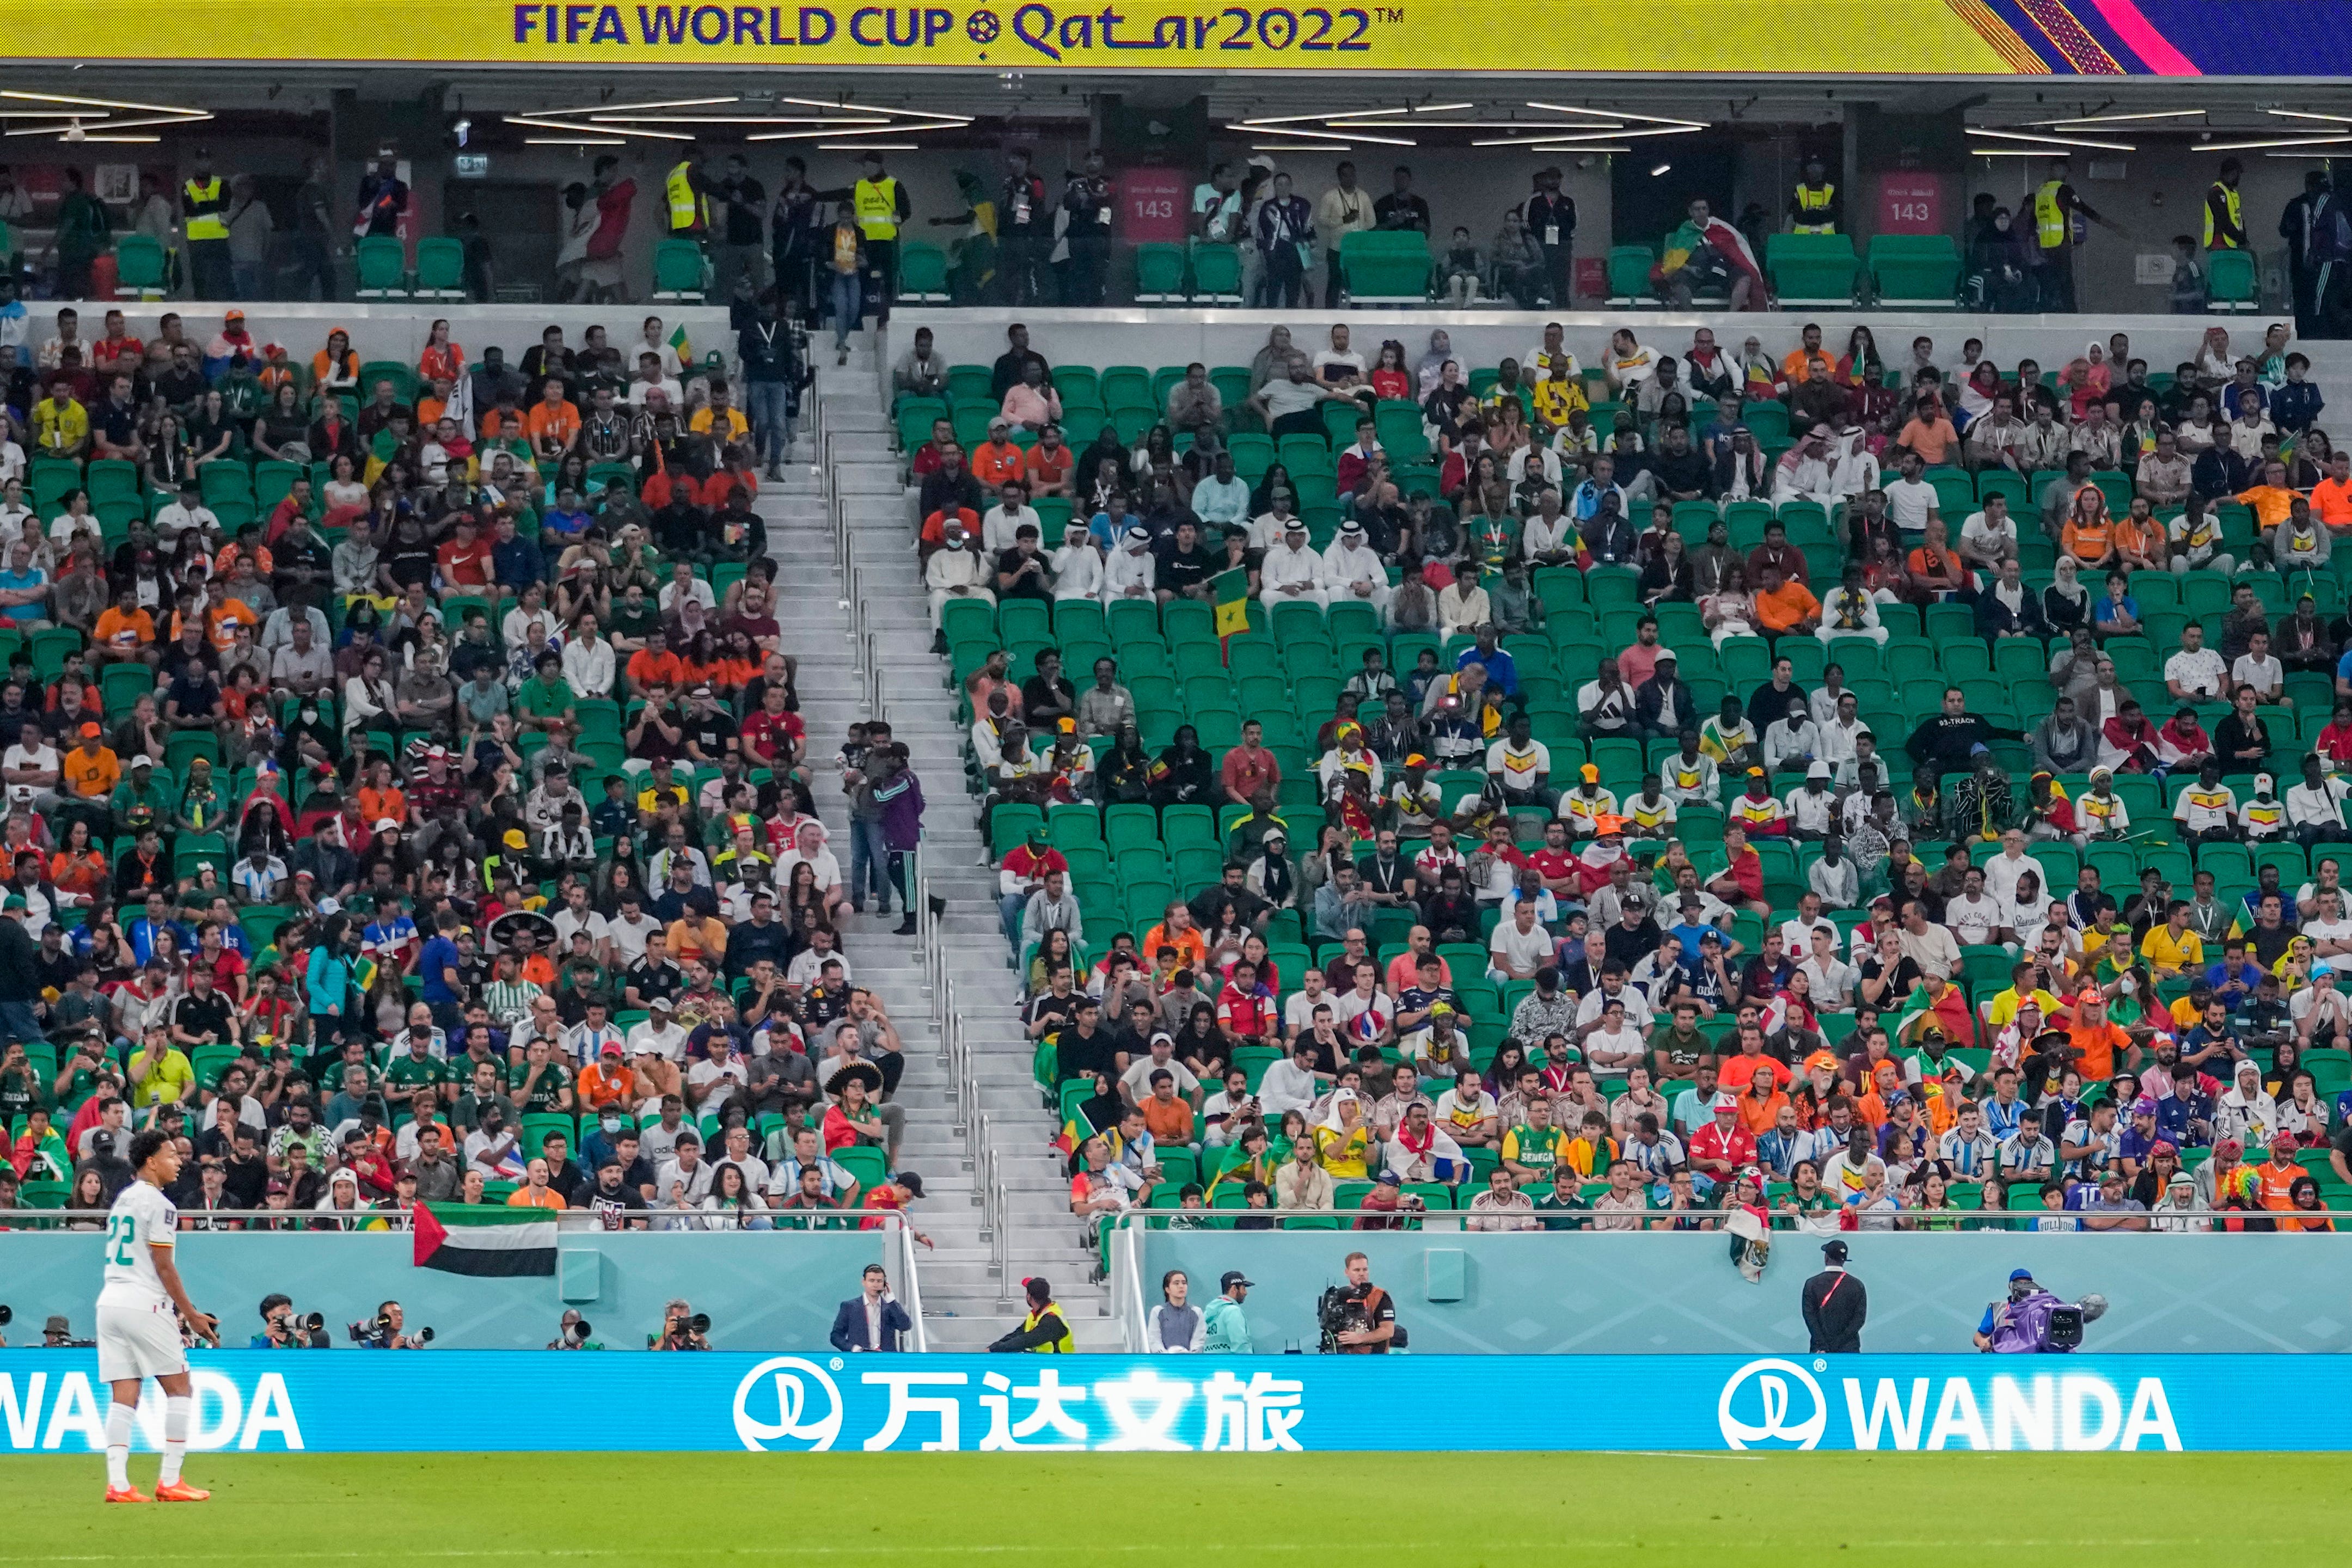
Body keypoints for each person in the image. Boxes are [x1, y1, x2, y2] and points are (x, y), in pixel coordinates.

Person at [95, 1128, 218, 1504]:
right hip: (143, 1302)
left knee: (124, 1393)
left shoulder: (124, 1199)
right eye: (171, 1155)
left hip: (109, 1302)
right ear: (151, 1162)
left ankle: (118, 1484)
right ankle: (170, 1480)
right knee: (180, 1387)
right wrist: (192, 1313)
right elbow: (164, 1266)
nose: (179, 1161)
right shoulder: (161, 1205)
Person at [1800, 1236, 1866, 1353]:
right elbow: (1859, 1319)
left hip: (1820, 1349)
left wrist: (1823, 1345)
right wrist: (1838, 1344)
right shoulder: (1857, 1285)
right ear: (1844, 1260)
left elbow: (1810, 1317)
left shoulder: (1812, 1284)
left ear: (1826, 1258)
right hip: (1849, 1349)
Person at [828, 1262, 914, 1352]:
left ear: (885, 1284)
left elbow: (906, 1326)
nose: (875, 1285)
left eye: (879, 1281)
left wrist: (892, 1301)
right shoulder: (849, 1307)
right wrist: (854, 1349)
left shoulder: (890, 1308)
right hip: (860, 1358)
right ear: (864, 1282)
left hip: (886, 1359)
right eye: (872, 1281)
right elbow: (836, 1336)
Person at [988, 1273, 1074, 1352]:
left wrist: (995, 1349)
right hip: (1045, 1363)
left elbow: (1028, 1340)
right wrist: (994, 1347)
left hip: (1060, 1365)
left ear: (1029, 1297)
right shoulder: (1036, 1315)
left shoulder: (1052, 1319)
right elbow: (1017, 1335)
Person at [1202, 1270, 1253, 1352]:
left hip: (1210, 1364)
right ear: (1234, 1289)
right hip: (1230, 1365)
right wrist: (1247, 1364)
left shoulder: (1207, 1315)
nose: (1246, 1293)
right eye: (1243, 1288)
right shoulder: (1233, 1312)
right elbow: (1240, 1346)